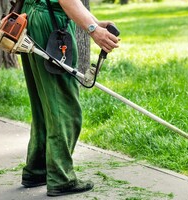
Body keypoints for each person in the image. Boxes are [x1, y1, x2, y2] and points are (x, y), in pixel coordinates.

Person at [18, 0, 119, 197]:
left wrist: (94, 21)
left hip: (33, 16)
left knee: (43, 104)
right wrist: (93, 30)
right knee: (64, 107)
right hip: (51, 24)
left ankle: (37, 170)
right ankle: (60, 178)